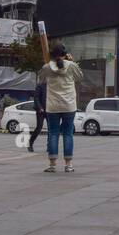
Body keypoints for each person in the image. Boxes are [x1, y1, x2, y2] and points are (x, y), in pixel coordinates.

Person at [38, 44, 82, 173]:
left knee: (53, 133)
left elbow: (41, 80)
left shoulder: (46, 67)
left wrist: (47, 67)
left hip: (52, 105)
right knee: (68, 134)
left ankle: (52, 164)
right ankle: (68, 164)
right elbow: (79, 77)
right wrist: (72, 61)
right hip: (69, 105)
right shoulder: (71, 66)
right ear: (65, 54)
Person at [27, 76, 47, 152]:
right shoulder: (39, 86)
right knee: (39, 127)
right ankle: (30, 142)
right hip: (41, 110)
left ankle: (50, 146)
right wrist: (40, 108)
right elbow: (36, 98)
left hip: (50, 110)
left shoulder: (52, 86)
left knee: (52, 129)